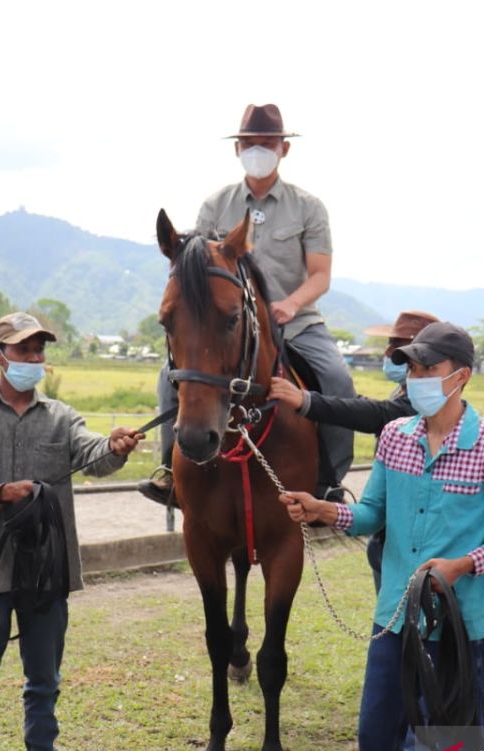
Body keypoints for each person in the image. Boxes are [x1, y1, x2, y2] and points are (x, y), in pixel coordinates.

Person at [280, 322, 484, 751]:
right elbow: (374, 513)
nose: (416, 377)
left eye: (428, 367)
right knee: (376, 734)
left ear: (461, 377)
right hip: (394, 617)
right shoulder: (395, 435)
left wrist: (461, 565)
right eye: (412, 367)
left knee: (459, 747)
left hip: (459, 627)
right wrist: (325, 510)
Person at [0, 312, 143, 751]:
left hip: (47, 573)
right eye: (24, 350)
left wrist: (115, 447)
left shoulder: (62, 418)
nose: (34, 359)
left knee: (44, 679)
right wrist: (2, 494)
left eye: (39, 351)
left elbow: (94, 455)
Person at [139, 102, 355, 506]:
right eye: (250, 143)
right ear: (237, 149)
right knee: (170, 377)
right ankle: (171, 470)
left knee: (338, 380)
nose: (258, 150)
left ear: (283, 149)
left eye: (267, 143)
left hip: (297, 323)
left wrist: (290, 304)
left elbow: (321, 275)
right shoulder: (214, 206)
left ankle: (330, 480)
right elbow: (194, 269)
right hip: (229, 327)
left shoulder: (308, 207)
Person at [270, 309, 441, 751]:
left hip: (444, 577)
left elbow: (373, 415)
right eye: (397, 355)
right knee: (400, 653)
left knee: (437, 664)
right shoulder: (400, 415)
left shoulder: (419, 417)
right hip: (390, 555)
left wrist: (306, 401)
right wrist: (330, 512)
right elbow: (370, 511)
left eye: (405, 354)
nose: (395, 361)